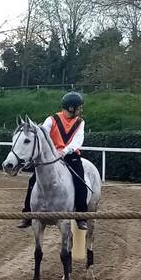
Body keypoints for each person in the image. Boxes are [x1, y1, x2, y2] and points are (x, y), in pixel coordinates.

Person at [18, 91, 88, 230]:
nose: (80, 110)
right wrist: (52, 152)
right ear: (71, 108)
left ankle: (81, 217)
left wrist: (65, 151)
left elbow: (78, 141)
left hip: (71, 156)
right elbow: (43, 134)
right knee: (33, 180)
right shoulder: (52, 119)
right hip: (51, 157)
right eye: (78, 107)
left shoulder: (80, 122)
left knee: (80, 182)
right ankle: (28, 214)